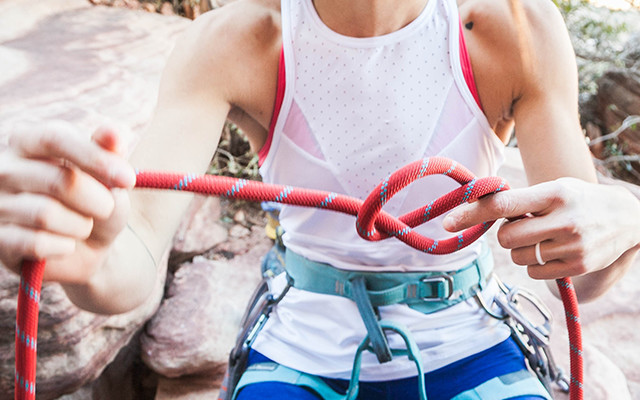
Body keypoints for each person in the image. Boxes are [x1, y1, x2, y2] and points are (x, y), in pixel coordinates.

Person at [1, 0, 640, 398]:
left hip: (470, 345)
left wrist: (627, 217)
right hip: (301, 357)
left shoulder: (515, 27)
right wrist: (92, 255)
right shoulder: (238, 41)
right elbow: (133, 255)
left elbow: (578, 276)